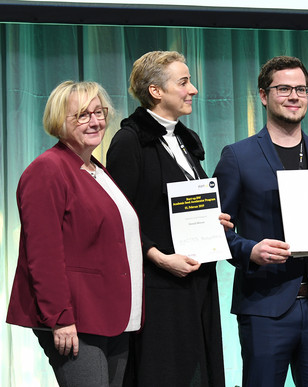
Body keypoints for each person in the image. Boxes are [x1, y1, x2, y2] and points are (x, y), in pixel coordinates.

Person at [213, 55, 308, 387]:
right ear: (264, 95)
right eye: (284, 89)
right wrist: (249, 250)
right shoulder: (237, 156)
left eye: (301, 89)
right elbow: (216, 228)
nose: (294, 96)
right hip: (265, 307)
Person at [6, 80, 143, 386]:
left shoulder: (96, 169)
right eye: (82, 115)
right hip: (76, 318)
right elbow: (43, 255)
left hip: (111, 315)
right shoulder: (48, 169)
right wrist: (60, 318)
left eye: (99, 112)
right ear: (60, 121)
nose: (95, 121)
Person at [106, 51, 230, 387]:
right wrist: (157, 256)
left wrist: (214, 220)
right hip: (159, 290)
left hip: (197, 283)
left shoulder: (185, 141)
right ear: (156, 91)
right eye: (184, 82)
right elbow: (118, 219)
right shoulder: (130, 141)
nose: (194, 90)